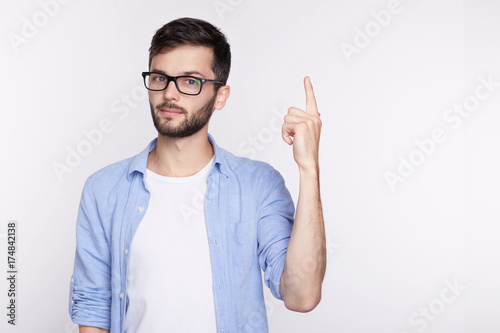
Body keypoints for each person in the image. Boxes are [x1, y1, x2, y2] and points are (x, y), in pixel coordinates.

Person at [68, 17, 326, 333]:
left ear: (221, 96)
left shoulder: (258, 186)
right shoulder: (103, 189)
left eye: (191, 81)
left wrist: (309, 169)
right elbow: (94, 308)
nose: (170, 94)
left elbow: (301, 295)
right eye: (160, 77)